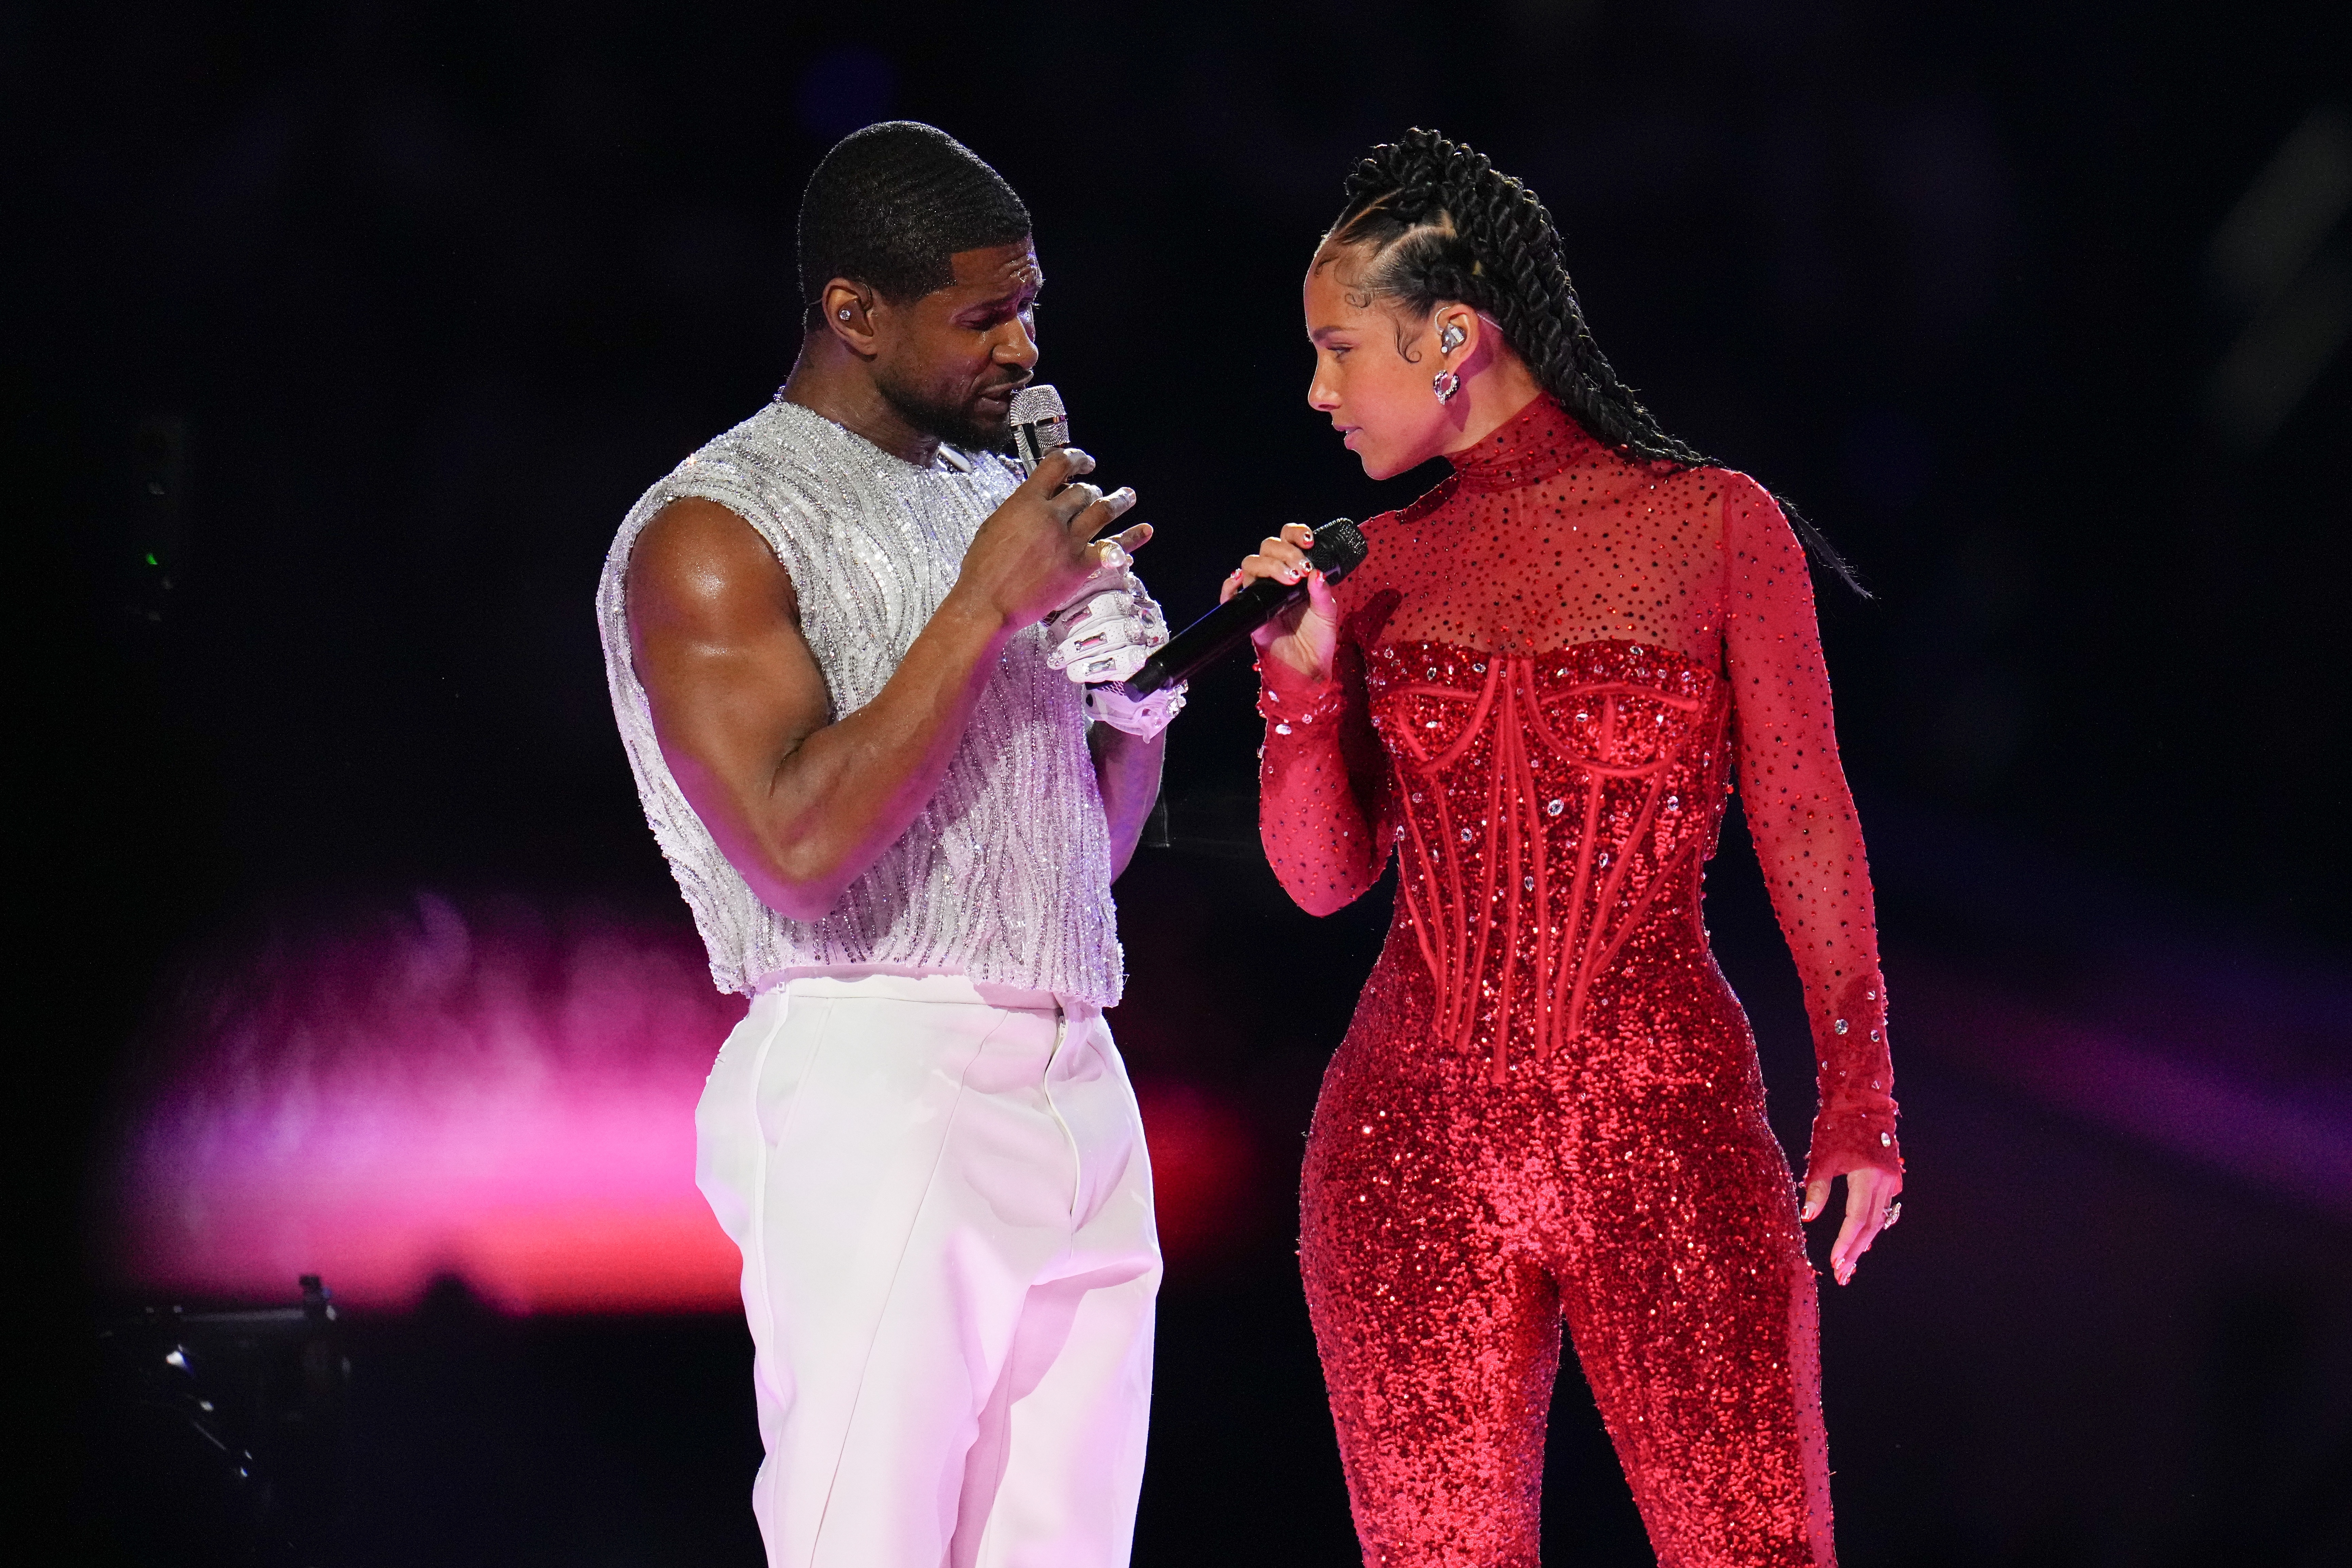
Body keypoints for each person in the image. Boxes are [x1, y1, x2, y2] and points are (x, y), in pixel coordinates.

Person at [1228, 129, 1904, 1566]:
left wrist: (1861, 1091)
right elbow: (1322, 876)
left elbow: (1804, 815)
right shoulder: (1378, 569)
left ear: (1454, 337)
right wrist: (1297, 688)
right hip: (1402, 1147)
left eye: (1342, 348)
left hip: (1667, 1135)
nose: (1318, 390)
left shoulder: (1717, 528)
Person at [595, 121, 1182, 1568]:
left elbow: (1064, 869)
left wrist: (1134, 716)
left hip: (1076, 1064)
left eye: (1029, 302)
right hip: (880, 1069)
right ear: (854, 312)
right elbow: (796, 845)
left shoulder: (997, 501)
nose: (1023, 347)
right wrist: (986, 610)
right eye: (983, 315)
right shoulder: (713, 528)